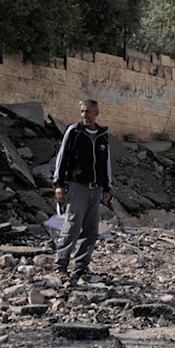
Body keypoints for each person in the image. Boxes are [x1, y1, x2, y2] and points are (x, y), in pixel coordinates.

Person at [52, 99, 113, 280]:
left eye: (88, 112)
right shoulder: (74, 132)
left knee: (91, 230)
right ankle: (61, 265)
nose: (84, 115)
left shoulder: (103, 135)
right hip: (77, 187)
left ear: (96, 113)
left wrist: (107, 187)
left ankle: (81, 266)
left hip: (96, 189)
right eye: (82, 111)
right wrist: (59, 184)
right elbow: (62, 158)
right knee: (71, 227)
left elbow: (105, 163)